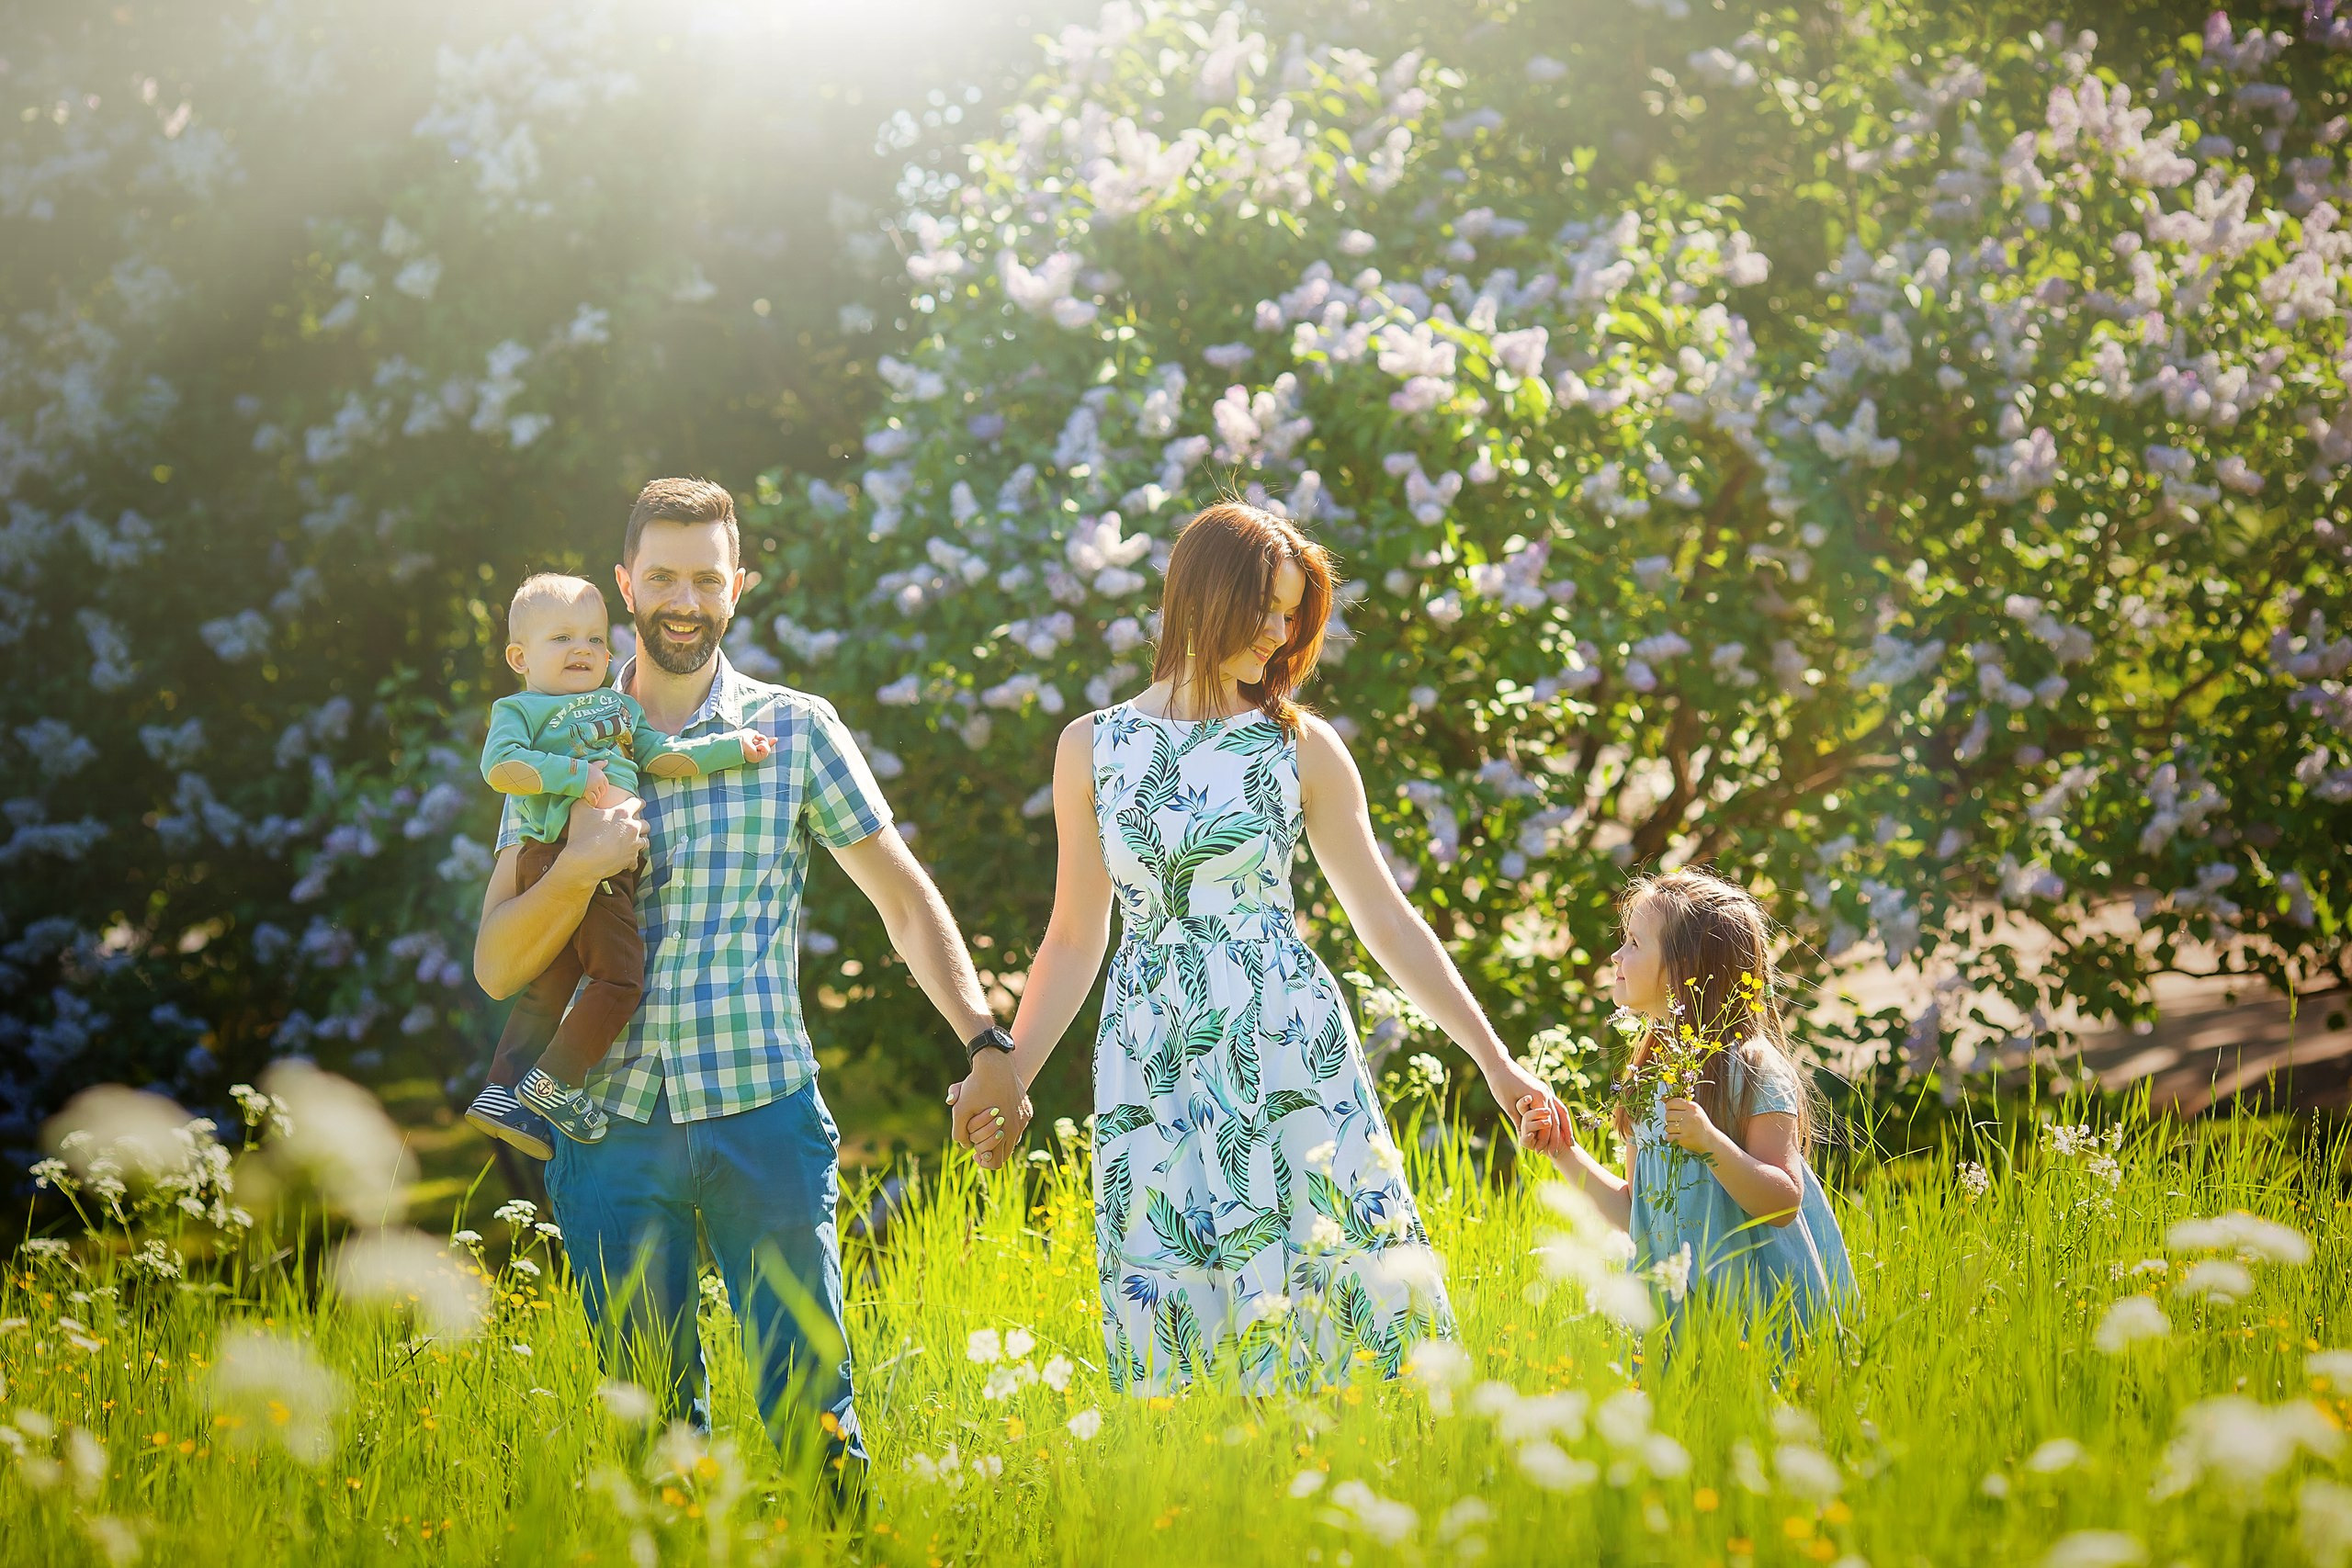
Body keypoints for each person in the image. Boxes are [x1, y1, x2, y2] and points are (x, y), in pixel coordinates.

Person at [472, 477, 1026, 1490]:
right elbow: (499, 962)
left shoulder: (796, 730)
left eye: (706, 578)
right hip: (609, 1128)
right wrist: (581, 867)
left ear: (740, 587)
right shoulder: (558, 736)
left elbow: (904, 901)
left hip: (762, 1113)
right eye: (663, 577)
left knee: (816, 1418)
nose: (684, 600)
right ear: (625, 584)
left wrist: (986, 1041)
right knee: (651, 1442)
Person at [952, 500, 1566, 1393]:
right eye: (1265, 610)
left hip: (1283, 1041)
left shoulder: (1299, 745)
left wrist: (1496, 1063)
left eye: (1290, 616)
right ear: (1203, 595)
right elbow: (1076, 936)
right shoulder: (1092, 747)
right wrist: (1009, 1075)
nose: (1280, 636)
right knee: (1180, 1321)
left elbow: (1387, 919)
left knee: (1340, 1291)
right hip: (1152, 1056)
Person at [465, 572, 776, 1155]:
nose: (582, 649)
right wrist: (577, 776)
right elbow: (500, 766)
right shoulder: (521, 709)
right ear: (520, 658)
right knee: (620, 978)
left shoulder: (619, 708)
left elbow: (664, 755)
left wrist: (732, 747)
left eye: (593, 638)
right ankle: (556, 1081)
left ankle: (501, 1090)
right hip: (563, 855)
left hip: (608, 866)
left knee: (553, 980)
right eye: (562, 638)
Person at [1517, 868, 1855, 1331]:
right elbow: (1635, 1212)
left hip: (1758, 1319)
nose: (1616, 954)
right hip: (1678, 1325)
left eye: (1635, 943)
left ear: (1684, 969)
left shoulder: (1752, 1070)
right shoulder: (1647, 1076)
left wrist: (1710, 1144)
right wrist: (1563, 1150)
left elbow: (1783, 1202)